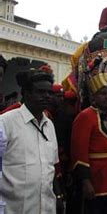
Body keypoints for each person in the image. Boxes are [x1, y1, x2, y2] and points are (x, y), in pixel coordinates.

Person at [0, 69, 64, 213]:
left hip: (46, 208)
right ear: (27, 93)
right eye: (40, 92)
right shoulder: (5, 122)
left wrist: (58, 196)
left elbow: (51, 167)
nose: (46, 96)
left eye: (49, 93)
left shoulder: (49, 125)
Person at [70, 73, 107, 214]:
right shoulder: (85, 116)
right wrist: (85, 181)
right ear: (94, 96)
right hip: (96, 180)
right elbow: (79, 152)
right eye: (103, 93)